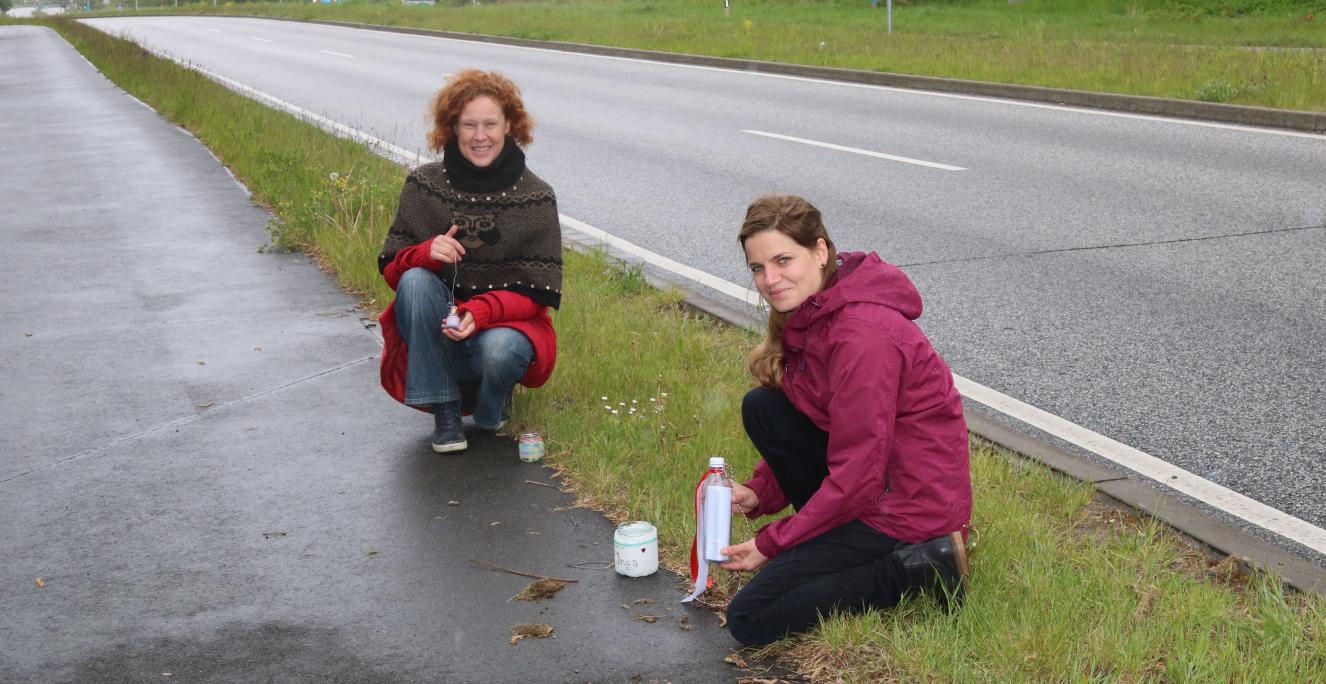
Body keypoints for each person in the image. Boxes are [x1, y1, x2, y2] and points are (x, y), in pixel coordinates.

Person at [719, 195, 972, 646]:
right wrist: (760, 492)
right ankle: (829, 542)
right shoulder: (815, 311)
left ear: (820, 250)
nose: (770, 280)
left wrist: (771, 543)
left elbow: (857, 476)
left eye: (782, 260)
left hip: (907, 510)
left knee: (751, 617)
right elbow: (815, 422)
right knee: (763, 406)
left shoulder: (862, 336)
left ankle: (919, 568)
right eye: (758, 268)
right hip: (874, 487)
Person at [376, 69, 561, 453]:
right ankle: (445, 412)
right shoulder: (423, 184)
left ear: (509, 125)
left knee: (502, 350)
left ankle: (492, 406)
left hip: (498, 334)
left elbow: (540, 292)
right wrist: (423, 253)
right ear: (452, 128)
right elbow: (393, 273)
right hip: (438, 338)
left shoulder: (537, 196)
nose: (481, 136)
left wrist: (482, 311)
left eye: (490, 124)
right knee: (414, 279)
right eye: (469, 125)